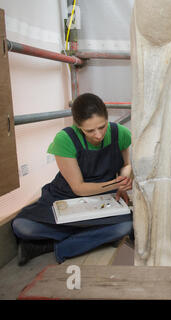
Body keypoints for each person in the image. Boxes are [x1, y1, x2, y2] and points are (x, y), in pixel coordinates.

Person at [11, 93, 133, 265]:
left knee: (124, 227)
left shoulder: (120, 133)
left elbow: (126, 164)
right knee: (22, 226)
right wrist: (115, 184)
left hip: (102, 199)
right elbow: (79, 188)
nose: (98, 135)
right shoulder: (65, 139)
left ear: (107, 118)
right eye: (90, 130)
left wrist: (124, 181)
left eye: (102, 126)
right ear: (77, 125)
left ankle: (53, 247)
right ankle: (94, 236)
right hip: (65, 195)